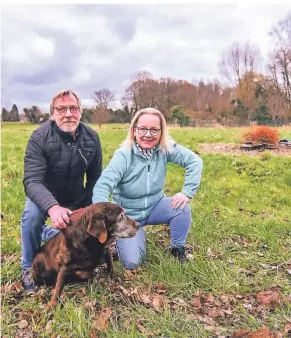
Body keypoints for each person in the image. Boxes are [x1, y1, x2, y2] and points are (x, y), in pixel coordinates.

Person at [92, 107, 203, 270]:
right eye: (143, 129)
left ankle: (177, 249)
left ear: (161, 132)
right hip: (128, 216)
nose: (148, 134)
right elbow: (103, 185)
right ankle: (120, 241)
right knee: (133, 263)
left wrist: (187, 192)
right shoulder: (123, 155)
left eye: (154, 130)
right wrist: (103, 216)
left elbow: (194, 161)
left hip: (154, 207)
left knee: (182, 207)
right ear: (134, 130)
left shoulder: (165, 148)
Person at [21, 89, 102, 293]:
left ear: (80, 112)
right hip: (45, 196)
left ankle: (53, 236)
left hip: (77, 196)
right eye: (61, 109)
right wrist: (52, 207)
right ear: (52, 113)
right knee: (31, 217)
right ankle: (27, 267)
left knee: (88, 228)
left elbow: (95, 178)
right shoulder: (39, 137)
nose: (68, 114)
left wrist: (88, 206)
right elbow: (32, 180)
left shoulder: (92, 138)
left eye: (73, 108)